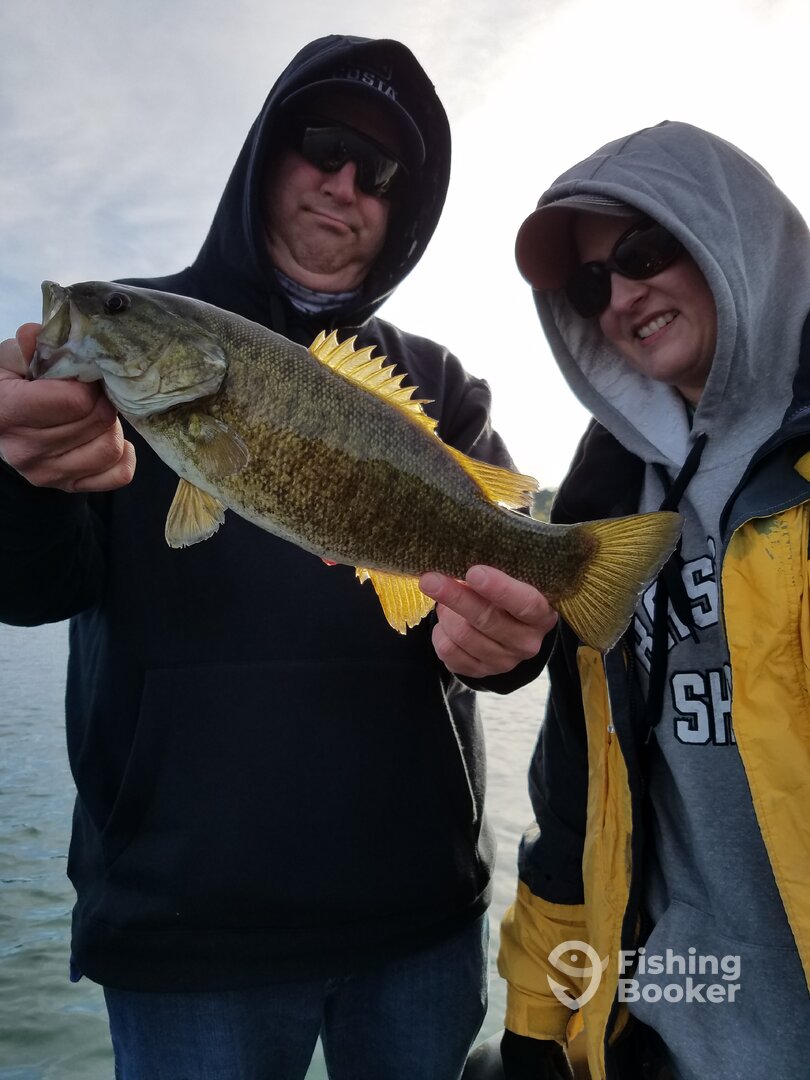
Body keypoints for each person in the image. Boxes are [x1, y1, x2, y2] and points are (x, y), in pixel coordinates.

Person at [0, 35, 556, 1080]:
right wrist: (17, 477)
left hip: (419, 922)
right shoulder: (124, 345)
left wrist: (518, 642)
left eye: (380, 172)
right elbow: (30, 587)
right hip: (185, 934)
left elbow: (509, 613)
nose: (346, 184)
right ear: (265, 153)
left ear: (403, 209)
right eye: (324, 144)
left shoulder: (439, 385)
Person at [492, 121, 810, 1080]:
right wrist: (539, 1019)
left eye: (642, 251)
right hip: (673, 1031)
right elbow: (575, 792)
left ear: (728, 231)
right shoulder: (598, 511)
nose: (622, 297)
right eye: (593, 285)